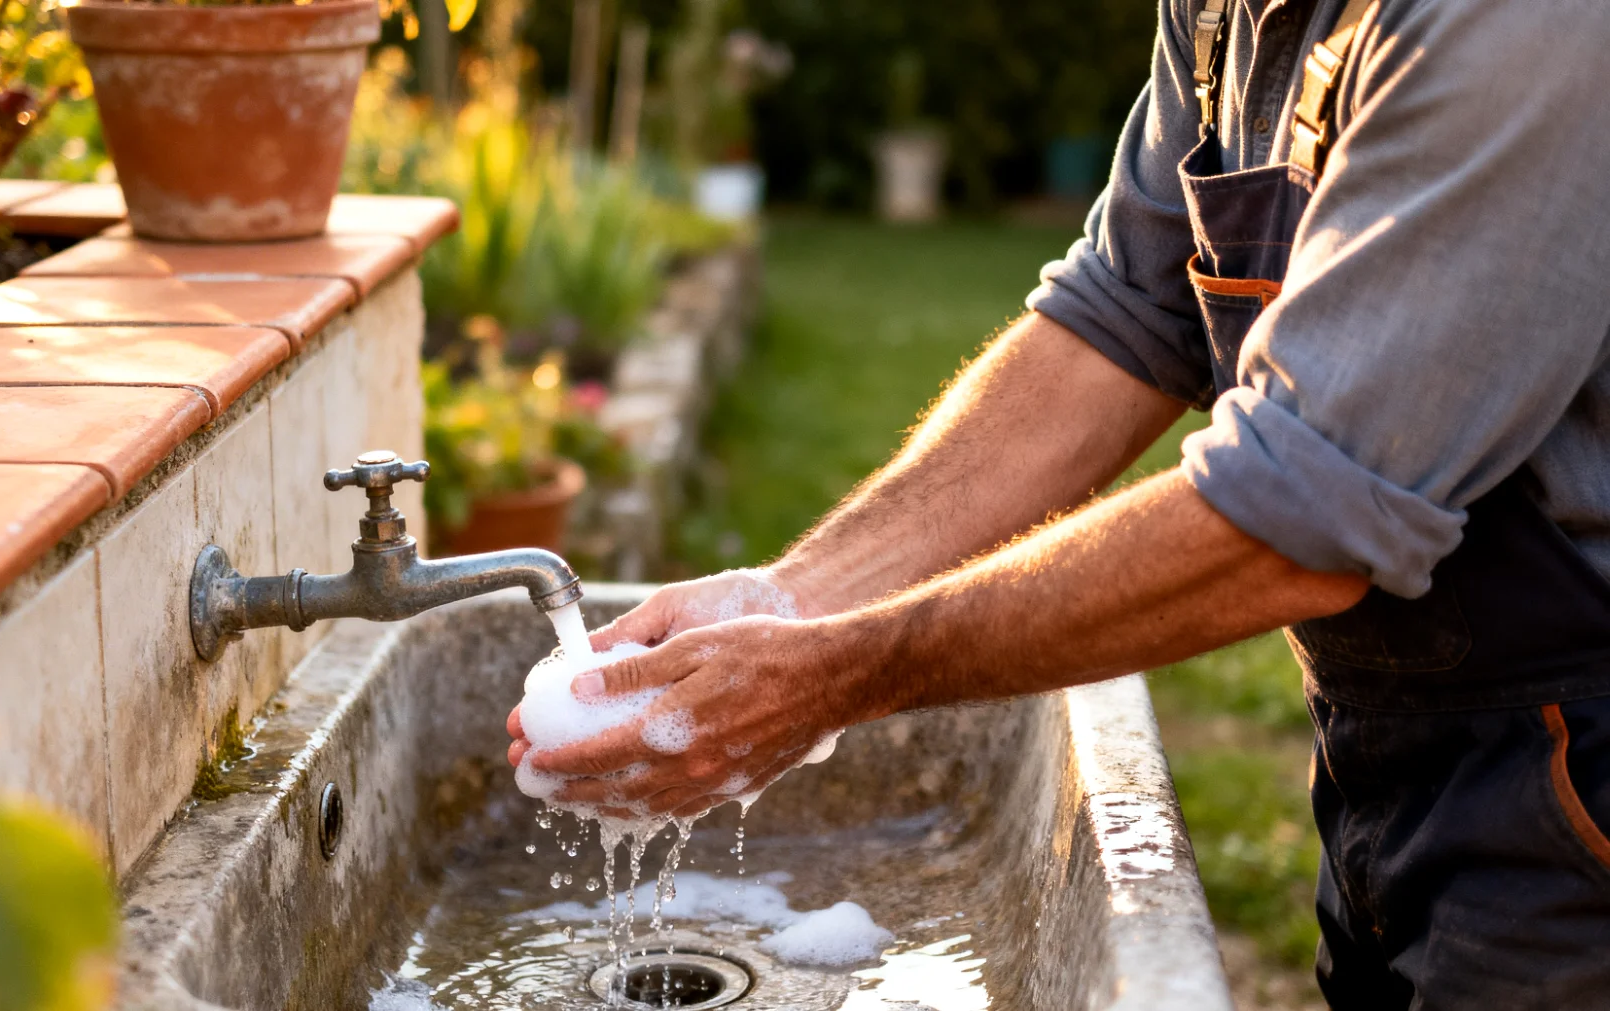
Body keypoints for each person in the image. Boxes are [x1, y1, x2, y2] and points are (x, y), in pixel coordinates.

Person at [508, 0, 1610, 1004]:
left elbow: (1308, 510)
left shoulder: (1520, 26)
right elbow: (1126, 312)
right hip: (1396, 737)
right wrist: (792, 598)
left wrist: (833, 676)